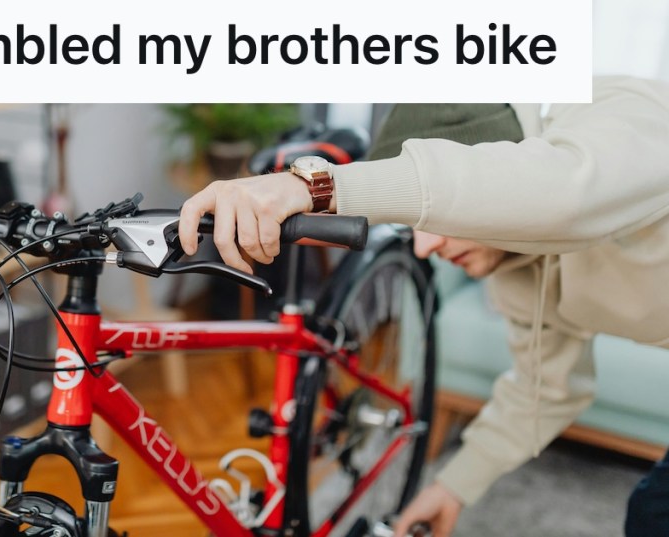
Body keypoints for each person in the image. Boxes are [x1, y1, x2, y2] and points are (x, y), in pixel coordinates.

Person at [177, 76, 669, 537]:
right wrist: (451, 487)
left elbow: (562, 197)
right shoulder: (516, 267)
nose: (423, 248)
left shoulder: (627, 116)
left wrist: (317, 187)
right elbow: (549, 389)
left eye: (440, 219)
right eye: (415, 229)